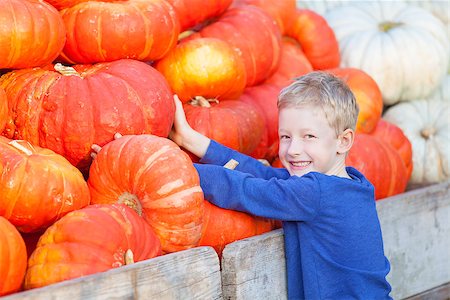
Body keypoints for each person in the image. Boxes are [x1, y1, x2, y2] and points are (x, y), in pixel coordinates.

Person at [169, 71, 392, 299]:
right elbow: (262, 175)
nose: (293, 149)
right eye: (286, 137)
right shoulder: (349, 186)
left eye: (309, 137)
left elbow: (245, 189)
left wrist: (174, 169)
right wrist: (191, 140)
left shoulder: (314, 193)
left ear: (343, 141)